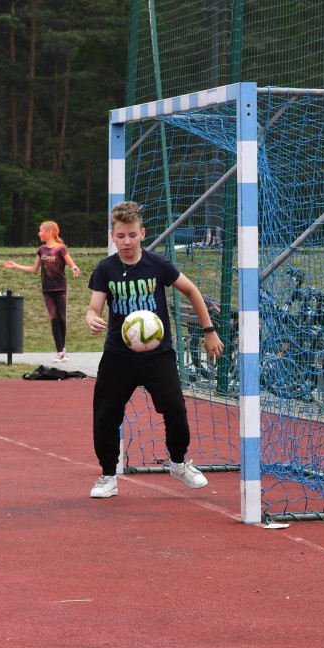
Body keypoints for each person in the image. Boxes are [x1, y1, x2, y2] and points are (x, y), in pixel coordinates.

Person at [85, 201, 224, 498]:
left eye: (132, 235)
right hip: (118, 356)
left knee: (175, 407)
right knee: (105, 415)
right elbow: (94, 306)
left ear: (143, 234)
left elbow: (191, 291)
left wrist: (209, 330)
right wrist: (91, 318)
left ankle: (179, 463)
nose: (126, 241)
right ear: (112, 236)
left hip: (157, 355)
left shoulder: (158, 265)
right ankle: (108, 476)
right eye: (120, 236)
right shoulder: (106, 269)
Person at [2, 220, 80, 362]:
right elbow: (34, 270)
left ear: (48, 232)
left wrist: (74, 267)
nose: (39, 233)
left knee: (62, 319)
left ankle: (63, 350)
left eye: (41, 231)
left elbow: (70, 262)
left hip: (60, 289)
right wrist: (16, 265)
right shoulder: (41, 250)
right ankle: (59, 352)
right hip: (47, 290)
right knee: (54, 318)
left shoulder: (60, 249)